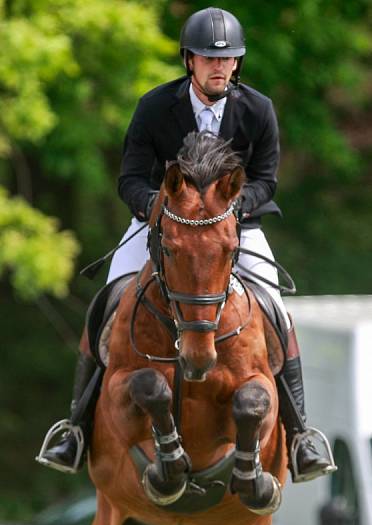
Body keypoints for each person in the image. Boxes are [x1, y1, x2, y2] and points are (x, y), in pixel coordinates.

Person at [37, 7, 335, 483]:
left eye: (229, 59)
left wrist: (233, 209)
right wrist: (159, 207)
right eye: (208, 58)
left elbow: (266, 181)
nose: (220, 67)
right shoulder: (155, 107)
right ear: (188, 61)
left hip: (233, 227)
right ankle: (74, 427)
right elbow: (130, 178)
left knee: (277, 308)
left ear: (237, 63)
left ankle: (300, 436)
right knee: (108, 298)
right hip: (165, 226)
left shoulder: (257, 109)